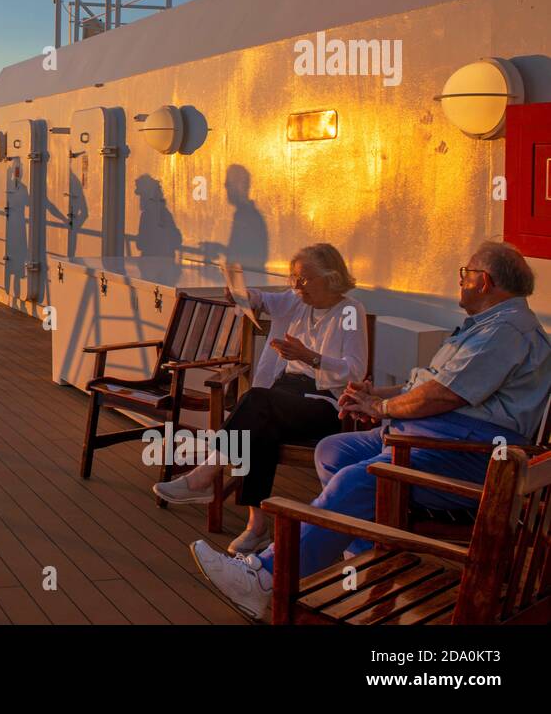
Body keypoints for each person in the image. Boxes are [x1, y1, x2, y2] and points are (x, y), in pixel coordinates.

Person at [191, 241, 551, 621]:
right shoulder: (491, 325)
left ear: (484, 281)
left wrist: (381, 408)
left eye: (465, 273)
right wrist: (379, 394)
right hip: (432, 434)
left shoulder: (505, 330)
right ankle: (365, 550)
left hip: (469, 452)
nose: (459, 279)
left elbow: (442, 395)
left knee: (357, 481)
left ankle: (262, 578)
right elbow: (431, 383)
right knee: (333, 451)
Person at [153, 244, 368, 556]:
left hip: (324, 402)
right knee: (259, 426)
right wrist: (243, 296)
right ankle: (256, 527)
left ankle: (207, 473)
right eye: (294, 279)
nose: (296, 286)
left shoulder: (349, 311)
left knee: (257, 403)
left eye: (304, 280)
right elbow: (263, 299)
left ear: (331, 277)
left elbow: (356, 371)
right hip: (283, 396)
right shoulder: (297, 302)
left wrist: (313, 358)